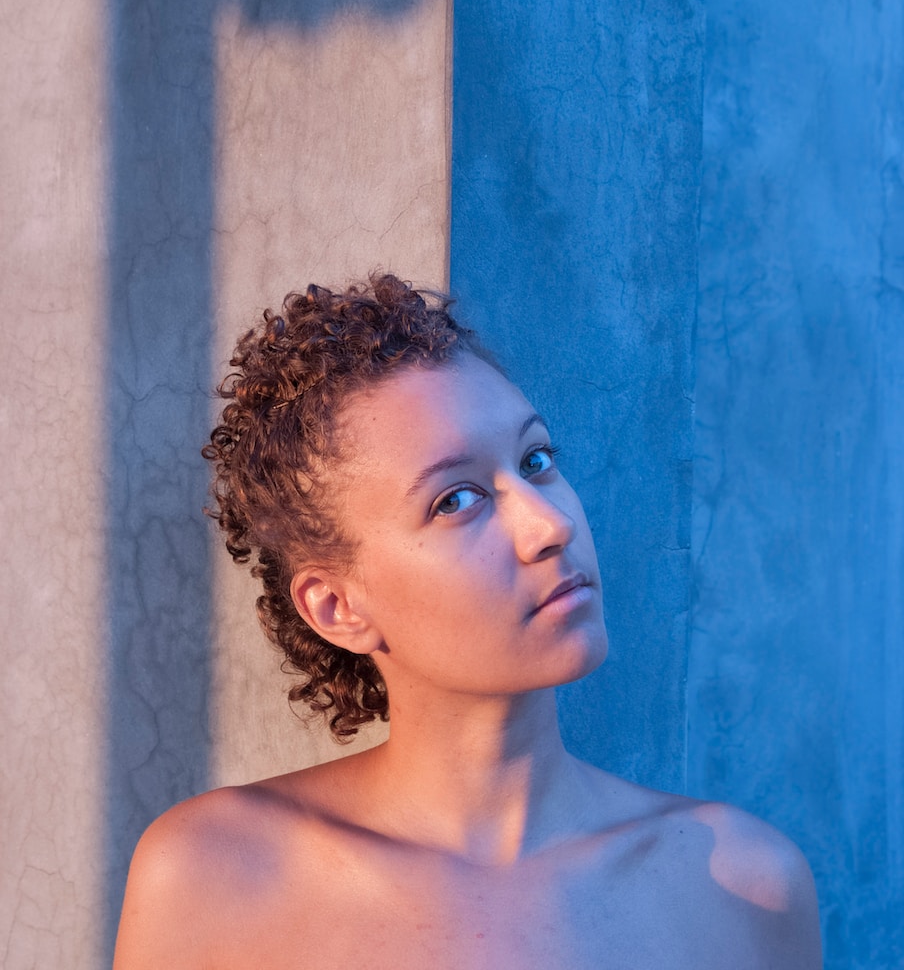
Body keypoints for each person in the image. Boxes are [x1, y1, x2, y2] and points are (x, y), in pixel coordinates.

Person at [114, 273, 822, 968]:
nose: (549, 524)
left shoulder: (743, 889)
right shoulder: (214, 877)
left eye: (537, 460)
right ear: (338, 607)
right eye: (456, 500)